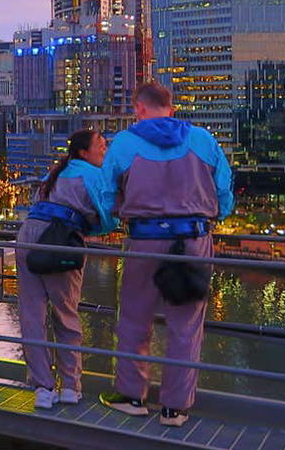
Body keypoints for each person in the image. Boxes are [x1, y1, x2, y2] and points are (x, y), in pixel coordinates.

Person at [99, 83, 232, 428]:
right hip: (193, 240)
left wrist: (115, 217)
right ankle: (175, 408)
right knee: (186, 325)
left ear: (138, 108)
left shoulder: (126, 142)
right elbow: (224, 190)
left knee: (134, 318)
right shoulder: (203, 140)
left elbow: (105, 193)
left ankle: (131, 396)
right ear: (171, 108)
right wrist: (218, 215)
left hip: (144, 241)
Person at [17, 129, 116, 409]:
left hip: (29, 236)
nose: (105, 149)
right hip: (60, 241)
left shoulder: (54, 173)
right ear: (85, 152)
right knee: (65, 313)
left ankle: (42, 388)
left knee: (32, 316)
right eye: (101, 145)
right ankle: (70, 386)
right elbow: (108, 219)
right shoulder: (94, 175)